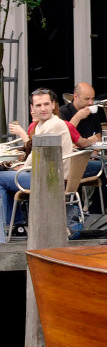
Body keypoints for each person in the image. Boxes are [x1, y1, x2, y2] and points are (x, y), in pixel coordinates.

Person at [0, 89, 75, 237]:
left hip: (50, 181)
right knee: (5, 176)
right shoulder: (43, 125)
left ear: (54, 105)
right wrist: (20, 167)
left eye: (46, 104)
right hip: (46, 175)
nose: (43, 108)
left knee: (1, 178)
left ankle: (12, 225)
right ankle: (17, 224)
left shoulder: (53, 125)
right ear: (32, 108)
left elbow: (36, 159)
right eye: (39, 105)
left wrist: (21, 167)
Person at [59, 82, 103, 147]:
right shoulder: (63, 111)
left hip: (91, 153)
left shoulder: (92, 112)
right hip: (71, 153)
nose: (91, 103)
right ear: (75, 97)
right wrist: (78, 117)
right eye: (87, 99)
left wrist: (95, 154)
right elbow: (64, 136)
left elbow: (98, 136)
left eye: (92, 99)